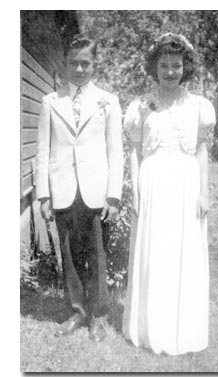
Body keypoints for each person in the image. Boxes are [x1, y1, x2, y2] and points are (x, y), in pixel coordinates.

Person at [122, 33, 216, 355]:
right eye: (164, 65)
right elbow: (135, 151)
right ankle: (151, 329)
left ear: (185, 67)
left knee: (183, 255)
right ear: (155, 67)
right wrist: (135, 192)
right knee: (155, 253)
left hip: (187, 185)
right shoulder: (141, 107)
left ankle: (182, 330)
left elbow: (201, 150)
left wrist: (204, 192)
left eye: (176, 65)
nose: (170, 71)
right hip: (153, 183)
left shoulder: (199, 106)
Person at [36, 34, 123, 341]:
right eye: (73, 62)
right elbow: (43, 152)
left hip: (96, 190)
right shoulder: (51, 102)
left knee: (98, 254)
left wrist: (113, 194)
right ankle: (77, 311)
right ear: (65, 63)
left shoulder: (108, 101)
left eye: (85, 63)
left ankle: (98, 316)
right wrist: (43, 194)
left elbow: (116, 151)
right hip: (62, 190)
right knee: (70, 255)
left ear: (94, 64)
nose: (79, 69)